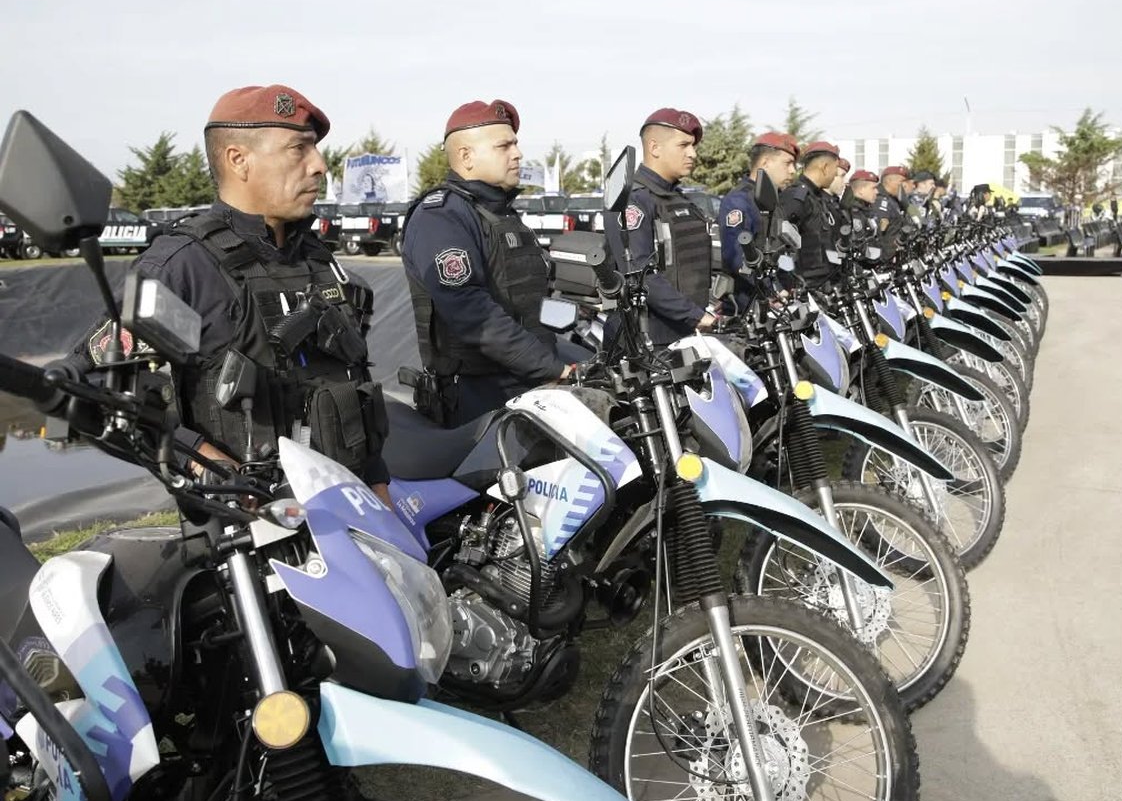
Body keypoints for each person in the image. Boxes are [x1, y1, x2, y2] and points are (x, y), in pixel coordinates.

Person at [66, 84, 392, 504]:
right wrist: (199, 459)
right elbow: (93, 387)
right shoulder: (184, 267)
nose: (319, 165)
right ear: (238, 160)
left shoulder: (319, 260)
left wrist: (378, 485)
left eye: (315, 149)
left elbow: (353, 384)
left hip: (349, 509)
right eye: (299, 149)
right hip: (247, 526)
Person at [401, 99, 574, 426]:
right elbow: (470, 311)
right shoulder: (441, 216)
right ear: (466, 156)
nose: (517, 154)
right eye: (504, 146)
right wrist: (552, 369)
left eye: (516, 144)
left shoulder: (500, 214)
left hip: (531, 384)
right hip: (478, 399)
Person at [603, 107, 716, 345]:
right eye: (683, 145)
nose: (693, 153)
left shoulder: (678, 199)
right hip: (648, 340)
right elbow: (640, 274)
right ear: (655, 148)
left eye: (693, 146)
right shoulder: (633, 199)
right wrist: (696, 316)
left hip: (685, 331)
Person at [718, 132, 798, 312]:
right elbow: (737, 257)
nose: (793, 170)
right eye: (787, 163)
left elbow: (781, 251)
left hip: (777, 303)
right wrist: (773, 290)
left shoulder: (773, 201)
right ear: (765, 163)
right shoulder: (739, 200)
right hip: (748, 307)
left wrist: (789, 282)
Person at [778, 140, 843, 287]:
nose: (835, 175)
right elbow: (780, 246)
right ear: (825, 167)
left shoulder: (818, 198)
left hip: (824, 284)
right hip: (805, 286)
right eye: (835, 169)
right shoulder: (797, 197)